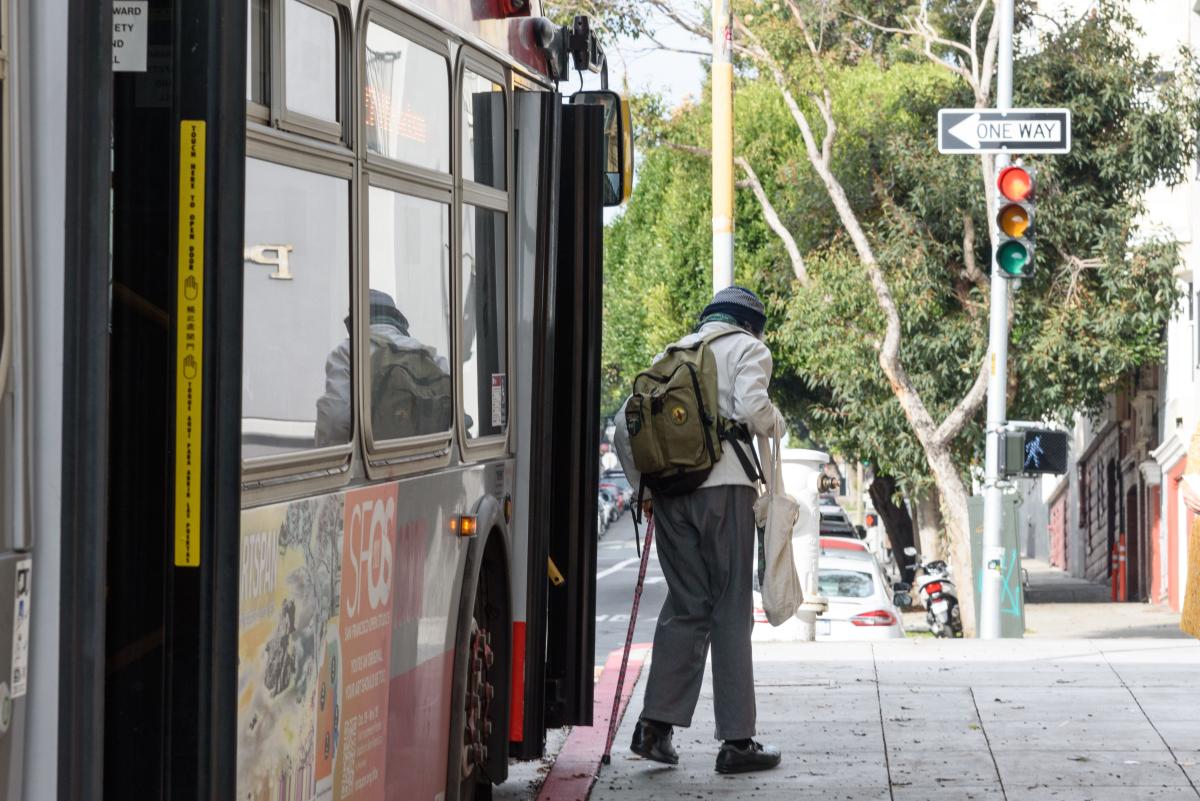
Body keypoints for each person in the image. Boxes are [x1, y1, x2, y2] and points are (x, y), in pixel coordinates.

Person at [613, 285, 787, 774]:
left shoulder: (668, 354)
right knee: (731, 607)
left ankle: (654, 728)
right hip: (725, 489)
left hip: (670, 494)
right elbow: (755, 409)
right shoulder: (750, 349)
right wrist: (776, 423)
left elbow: (625, 430)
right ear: (750, 324)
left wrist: (645, 492)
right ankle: (737, 741)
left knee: (687, 604)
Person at [315, 289, 450, 447]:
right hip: (429, 460)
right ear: (395, 319)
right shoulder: (429, 355)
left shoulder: (346, 352)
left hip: (375, 464)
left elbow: (334, 419)